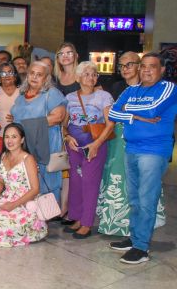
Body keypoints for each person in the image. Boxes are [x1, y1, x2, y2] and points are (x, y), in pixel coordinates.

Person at [108, 52, 177, 264]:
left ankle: (141, 248)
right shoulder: (132, 89)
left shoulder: (169, 88)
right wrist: (134, 115)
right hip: (132, 148)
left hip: (154, 150)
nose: (146, 70)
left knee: (147, 198)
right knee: (135, 198)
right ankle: (135, 237)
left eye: (152, 66)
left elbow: (153, 109)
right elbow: (112, 113)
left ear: (162, 69)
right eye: (144, 66)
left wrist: (128, 110)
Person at [62, 61, 115, 239]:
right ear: (77, 78)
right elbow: (64, 125)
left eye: (94, 74)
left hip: (95, 144)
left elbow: (110, 124)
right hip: (74, 144)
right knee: (76, 182)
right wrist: (68, 137)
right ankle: (76, 217)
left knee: (90, 183)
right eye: (86, 74)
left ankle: (86, 223)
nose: (91, 77)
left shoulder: (104, 96)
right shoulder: (69, 97)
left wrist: (96, 144)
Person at [0, 123, 48, 247]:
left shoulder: (28, 159)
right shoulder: (4, 156)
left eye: (14, 137)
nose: (9, 141)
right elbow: (0, 180)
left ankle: (11, 230)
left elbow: (35, 189)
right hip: (7, 198)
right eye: (7, 137)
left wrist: (13, 205)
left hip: (24, 203)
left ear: (22, 139)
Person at [10, 61, 67, 202]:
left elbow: (58, 117)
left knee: (46, 178)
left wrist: (25, 124)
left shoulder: (52, 93)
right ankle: (28, 214)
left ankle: (47, 214)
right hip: (24, 144)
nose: (34, 77)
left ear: (46, 77)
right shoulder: (21, 95)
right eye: (32, 73)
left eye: (39, 74)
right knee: (26, 179)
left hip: (46, 143)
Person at [0, 62, 21, 142]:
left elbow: (30, 112)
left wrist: (18, 118)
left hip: (19, 134)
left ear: (15, 76)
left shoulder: (23, 92)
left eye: (10, 72)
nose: (7, 75)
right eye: (3, 73)